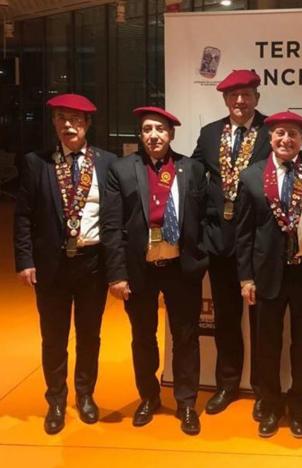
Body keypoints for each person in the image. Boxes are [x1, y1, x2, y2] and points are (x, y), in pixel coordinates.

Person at [13, 94, 117, 434]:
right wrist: (25, 259)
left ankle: (86, 395)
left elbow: (115, 218)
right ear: (55, 123)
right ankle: (56, 400)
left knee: (90, 335)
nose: (68, 125)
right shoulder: (35, 162)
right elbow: (24, 216)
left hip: (92, 264)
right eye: (61, 118)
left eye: (75, 119)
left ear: (87, 124)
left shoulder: (107, 163)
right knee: (53, 337)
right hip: (51, 266)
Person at [101, 106, 208, 435]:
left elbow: (204, 217)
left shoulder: (191, 169)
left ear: (171, 134)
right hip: (139, 269)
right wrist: (117, 275)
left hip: (180, 267)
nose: (154, 135)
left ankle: (187, 402)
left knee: (186, 337)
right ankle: (148, 397)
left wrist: (200, 257)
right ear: (141, 134)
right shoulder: (121, 169)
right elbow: (112, 225)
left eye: (160, 129)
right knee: (142, 337)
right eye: (147, 129)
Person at [236, 111, 302, 438]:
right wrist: (245, 277)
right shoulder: (250, 177)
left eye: (292, 134)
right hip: (266, 274)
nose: (285, 140)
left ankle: (298, 406)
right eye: (279, 134)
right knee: (267, 345)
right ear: (270, 137)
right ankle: (271, 403)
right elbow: (244, 232)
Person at [191, 69, 270, 419]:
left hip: (259, 244)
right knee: (226, 319)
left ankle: (264, 391)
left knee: (262, 321)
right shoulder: (210, 134)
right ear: (225, 99)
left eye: (247, 94)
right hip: (221, 243)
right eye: (234, 95)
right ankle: (227, 384)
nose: (240, 100)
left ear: (257, 96)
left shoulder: (273, 131)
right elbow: (191, 173)